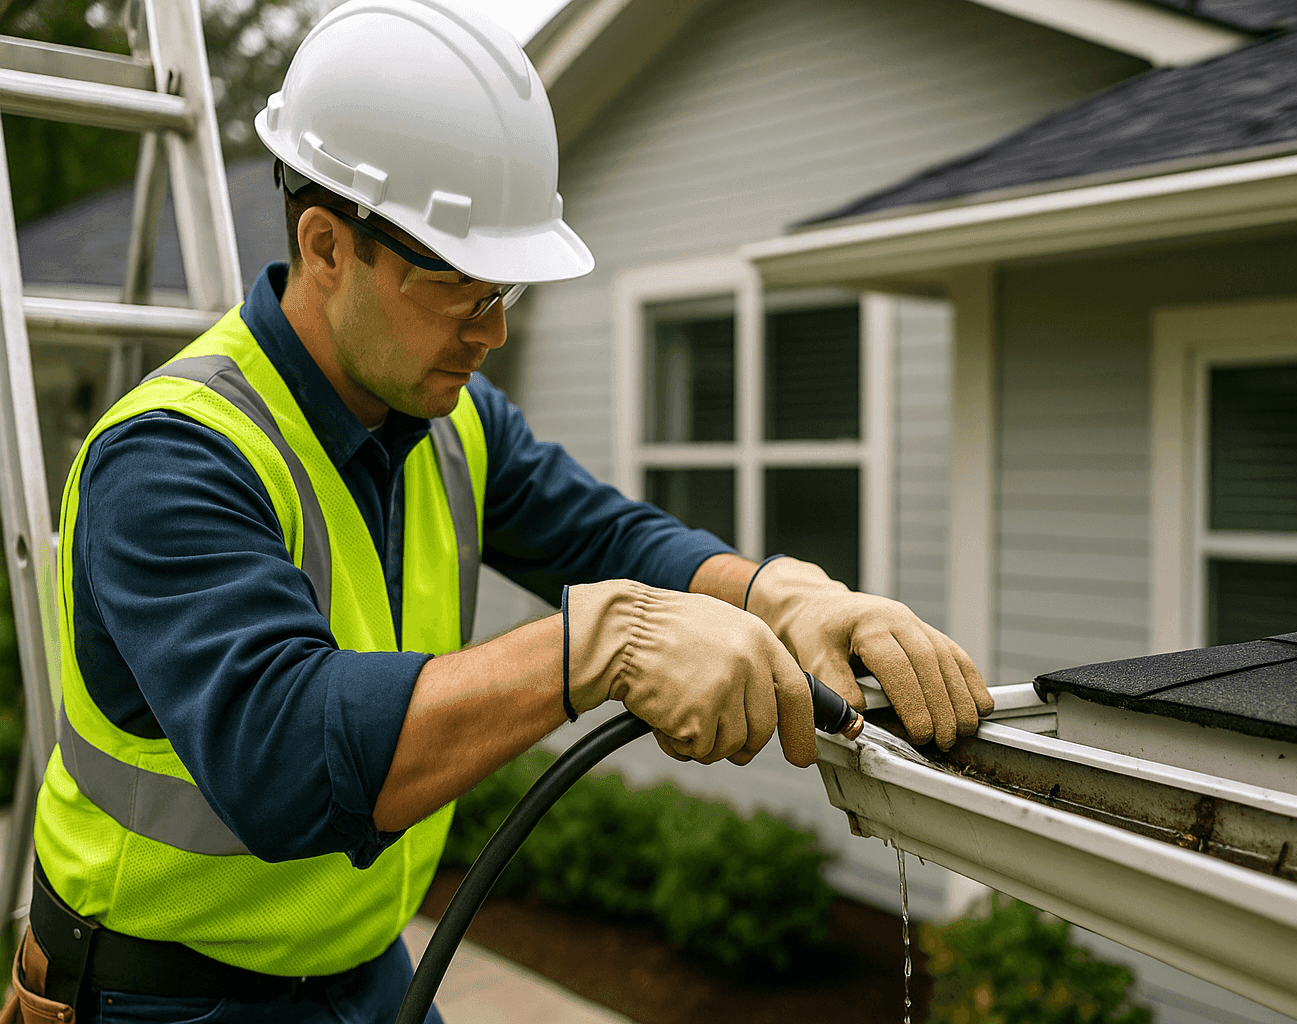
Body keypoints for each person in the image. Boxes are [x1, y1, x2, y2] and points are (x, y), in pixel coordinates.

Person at [9, 2, 991, 1022]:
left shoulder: (450, 423)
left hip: (359, 970)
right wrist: (601, 643)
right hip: (161, 998)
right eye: (463, 291)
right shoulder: (172, 457)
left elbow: (610, 537)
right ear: (327, 246)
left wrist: (781, 593)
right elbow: (285, 757)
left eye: (506, 294)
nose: (494, 332)